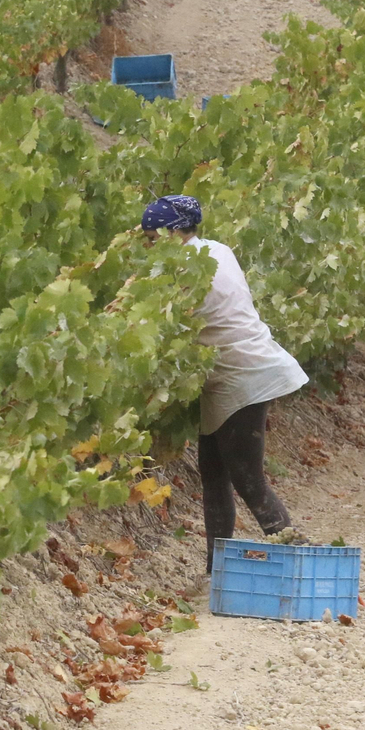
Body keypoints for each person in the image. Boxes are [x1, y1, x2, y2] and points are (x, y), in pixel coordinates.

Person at [142, 195, 308, 571]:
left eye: (152, 238)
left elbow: (164, 327)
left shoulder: (182, 270)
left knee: (247, 479)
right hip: (237, 370)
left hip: (241, 373)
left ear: (173, 233)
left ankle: (300, 560)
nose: (148, 246)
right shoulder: (216, 249)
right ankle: (217, 570)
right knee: (213, 471)